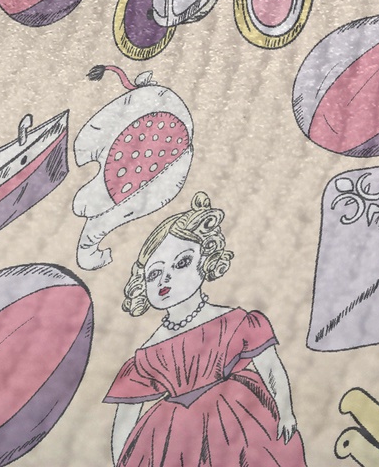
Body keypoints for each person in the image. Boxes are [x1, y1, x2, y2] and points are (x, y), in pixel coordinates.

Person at [105, 192, 307, 467]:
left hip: (241, 420)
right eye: (154, 273)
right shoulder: (147, 353)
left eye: (181, 263)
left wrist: (286, 412)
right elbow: (126, 415)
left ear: (206, 259)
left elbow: (270, 367)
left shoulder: (235, 321)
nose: (166, 278)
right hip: (175, 439)